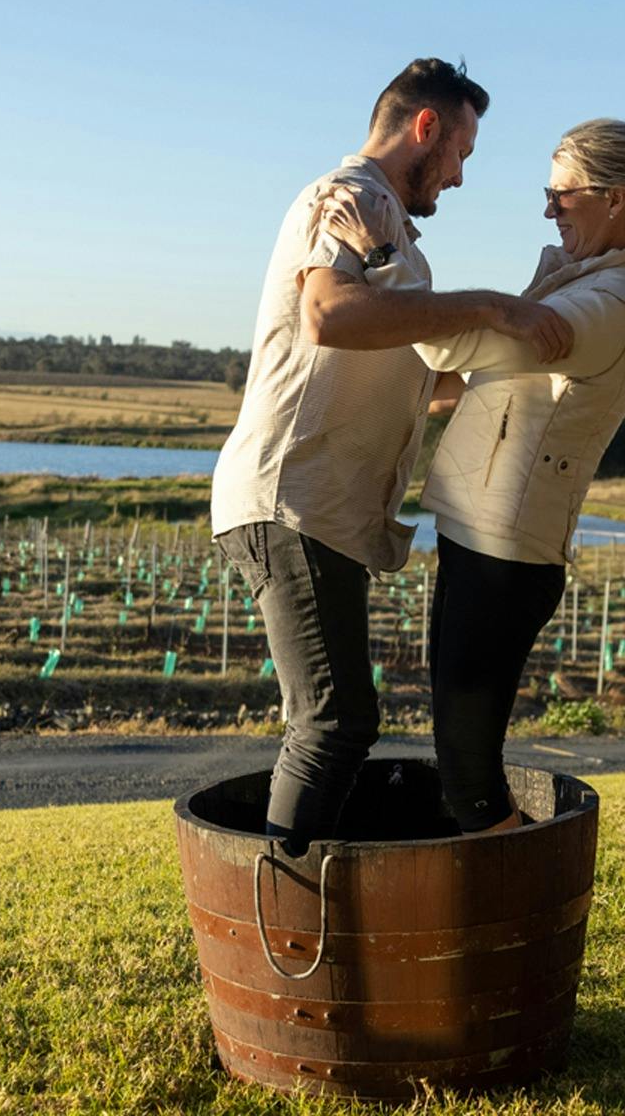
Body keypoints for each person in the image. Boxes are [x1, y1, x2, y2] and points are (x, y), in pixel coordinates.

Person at [211, 58, 573, 854]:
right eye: (461, 156)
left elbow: (421, 378)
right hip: (291, 496)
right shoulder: (350, 198)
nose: (459, 178)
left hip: (317, 507)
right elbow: (330, 315)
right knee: (335, 720)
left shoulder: (389, 232)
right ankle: (286, 910)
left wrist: (520, 350)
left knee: (336, 718)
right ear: (427, 128)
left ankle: (294, 906)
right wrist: (487, 304)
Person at [322, 119, 625, 831]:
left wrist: (379, 253)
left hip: (509, 549)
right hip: (485, 536)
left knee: (469, 774)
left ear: (613, 198)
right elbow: (470, 363)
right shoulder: (576, 284)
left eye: (560, 193)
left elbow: (458, 339)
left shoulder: (609, 305)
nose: (548, 208)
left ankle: (512, 906)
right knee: (461, 758)